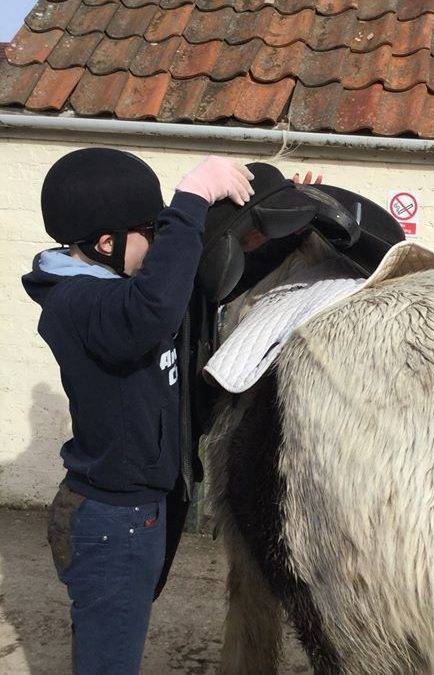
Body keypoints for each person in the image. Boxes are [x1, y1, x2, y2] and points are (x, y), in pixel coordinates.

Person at [21, 149, 254, 674]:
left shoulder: (115, 290)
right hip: (113, 525)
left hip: (131, 516)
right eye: (150, 229)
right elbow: (151, 313)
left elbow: (183, 291)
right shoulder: (76, 306)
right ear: (107, 243)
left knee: (107, 654)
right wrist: (190, 195)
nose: (157, 242)